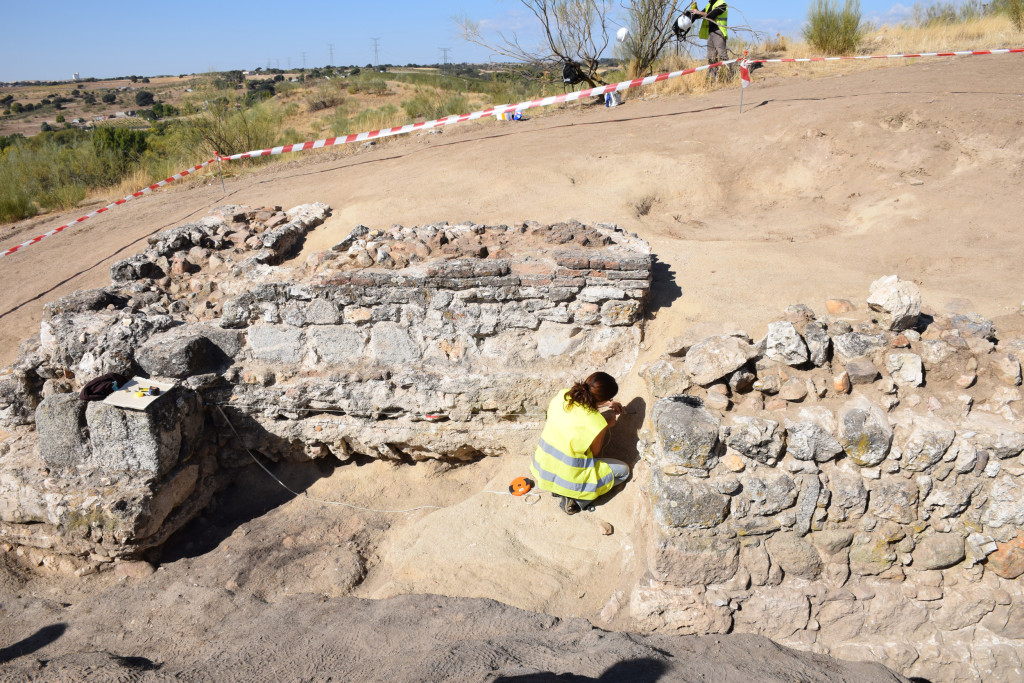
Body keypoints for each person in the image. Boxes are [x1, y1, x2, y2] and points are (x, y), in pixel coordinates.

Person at [530, 372, 631, 515]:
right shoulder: (596, 422)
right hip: (567, 478)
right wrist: (604, 425)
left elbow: (579, 413)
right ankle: (575, 501)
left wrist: (606, 403)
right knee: (623, 471)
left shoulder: (562, 395)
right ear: (603, 398)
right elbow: (594, 454)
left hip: (542, 468)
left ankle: (558, 489)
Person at [692, 1, 729, 79]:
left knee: (722, 54)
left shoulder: (722, 4)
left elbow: (711, 15)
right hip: (710, 33)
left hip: (719, 32)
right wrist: (695, 8)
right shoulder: (709, 5)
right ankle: (712, 77)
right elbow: (700, 15)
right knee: (711, 57)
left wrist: (698, 12)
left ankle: (727, 76)